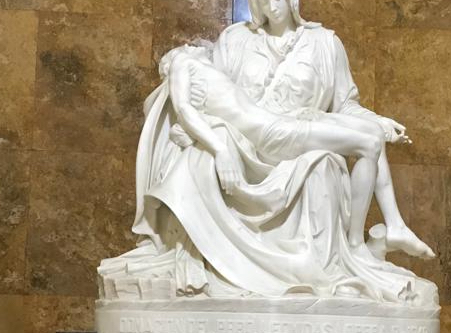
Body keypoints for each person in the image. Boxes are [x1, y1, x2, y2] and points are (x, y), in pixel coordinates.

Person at [127, 0, 437, 305]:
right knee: (364, 143)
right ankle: (363, 243)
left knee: (358, 142)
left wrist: (379, 120)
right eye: (263, 1)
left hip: (304, 128)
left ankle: (378, 236)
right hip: (254, 143)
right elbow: (199, 105)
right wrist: (213, 142)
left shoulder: (325, 43)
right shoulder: (233, 41)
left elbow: (345, 105)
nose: (271, 8)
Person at [162, 43, 429, 258]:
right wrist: (220, 149)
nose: (194, 46)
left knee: (373, 132)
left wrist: (379, 120)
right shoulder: (182, 62)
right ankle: (356, 245)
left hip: (280, 122)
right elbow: (184, 109)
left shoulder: (205, 71)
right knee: (369, 144)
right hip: (272, 134)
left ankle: (395, 226)